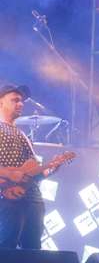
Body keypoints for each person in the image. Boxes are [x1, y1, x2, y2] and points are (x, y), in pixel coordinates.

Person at [0, 84, 45, 249]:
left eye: (21, 101)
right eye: (15, 100)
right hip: (6, 195)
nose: (20, 104)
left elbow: (35, 171)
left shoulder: (23, 134)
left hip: (32, 195)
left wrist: (51, 168)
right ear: (0, 103)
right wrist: (10, 175)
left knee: (33, 248)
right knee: (7, 246)